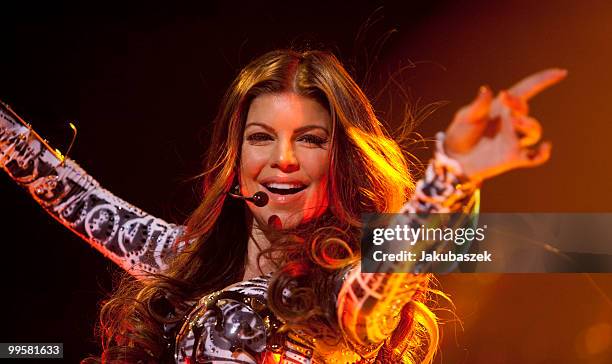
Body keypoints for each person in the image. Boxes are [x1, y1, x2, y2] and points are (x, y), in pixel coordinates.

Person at [0, 49, 565, 363]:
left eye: (312, 140)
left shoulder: (342, 286)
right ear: (235, 154)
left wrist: (455, 172)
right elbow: (62, 185)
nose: (284, 160)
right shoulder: (180, 259)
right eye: (261, 137)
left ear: (341, 159)